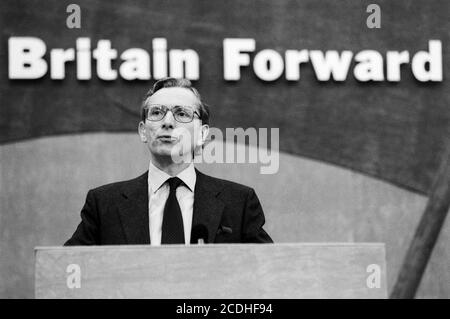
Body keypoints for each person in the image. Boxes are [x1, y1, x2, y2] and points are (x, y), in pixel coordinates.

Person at [65, 78, 272, 246]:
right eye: (157, 112)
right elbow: (66, 271)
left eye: (182, 114)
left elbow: (272, 274)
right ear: (143, 131)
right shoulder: (103, 205)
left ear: (202, 134)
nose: (168, 122)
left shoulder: (239, 202)